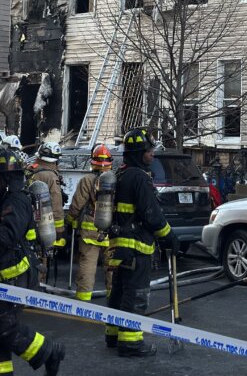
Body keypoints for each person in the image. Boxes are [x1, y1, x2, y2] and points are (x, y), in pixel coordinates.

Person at [0, 147, 65, 375]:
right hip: (1, 277)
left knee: (3, 328)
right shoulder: (1, 199)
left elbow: (7, 236)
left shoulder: (17, 201)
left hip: (16, 278)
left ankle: (49, 351)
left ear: (7, 179)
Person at [106, 126, 180, 357]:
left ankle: (113, 335)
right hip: (137, 248)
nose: (152, 155)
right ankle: (130, 343)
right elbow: (151, 214)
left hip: (121, 246)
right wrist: (169, 236)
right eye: (148, 151)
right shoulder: (139, 177)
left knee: (119, 292)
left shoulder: (122, 173)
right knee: (135, 295)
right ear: (139, 153)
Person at [66, 143, 113, 301]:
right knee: (111, 267)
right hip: (111, 231)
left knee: (87, 265)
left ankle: (83, 300)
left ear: (93, 161)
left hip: (90, 231)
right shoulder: (115, 180)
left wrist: (69, 220)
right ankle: (113, 298)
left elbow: (77, 204)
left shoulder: (87, 180)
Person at [27, 142, 66, 249]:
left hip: (25, 220)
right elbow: (56, 202)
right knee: (43, 253)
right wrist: (59, 229)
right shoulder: (51, 176)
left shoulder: (29, 169)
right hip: (43, 223)